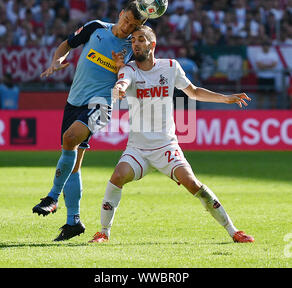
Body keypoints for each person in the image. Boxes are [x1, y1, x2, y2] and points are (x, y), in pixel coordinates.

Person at [89, 25, 254, 244]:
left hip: (166, 146)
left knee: (193, 184)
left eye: (141, 39)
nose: (136, 44)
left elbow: (193, 92)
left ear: (152, 44)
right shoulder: (129, 69)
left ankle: (233, 231)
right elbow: (123, 81)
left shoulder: (170, 67)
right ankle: (103, 232)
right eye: (133, 41)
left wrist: (225, 98)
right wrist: (119, 88)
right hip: (138, 148)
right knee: (118, 176)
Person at [32, 1, 146, 241]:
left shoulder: (132, 47)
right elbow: (67, 44)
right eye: (126, 20)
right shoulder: (96, 27)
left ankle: (53, 196)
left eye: (133, 25)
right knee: (73, 161)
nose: (127, 27)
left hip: (101, 104)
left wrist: (120, 68)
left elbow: (133, 75)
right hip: (74, 102)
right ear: (120, 13)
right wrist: (56, 61)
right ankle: (73, 221)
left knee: (70, 138)